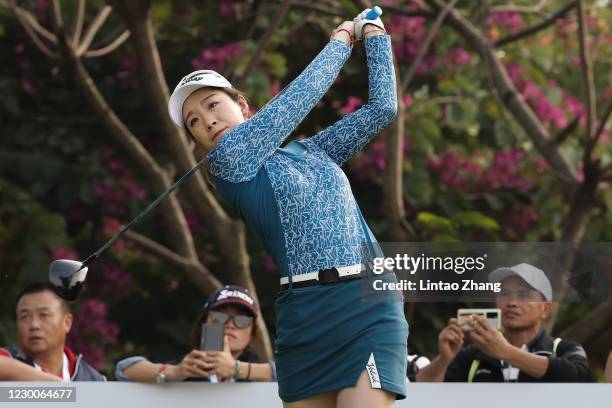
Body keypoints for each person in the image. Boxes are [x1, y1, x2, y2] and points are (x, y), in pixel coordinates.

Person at [167, 8, 407, 408]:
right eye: (194, 121)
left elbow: (382, 108)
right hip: (305, 314)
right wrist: (342, 40)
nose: (207, 122)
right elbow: (300, 98)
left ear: (242, 104)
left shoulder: (313, 151)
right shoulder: (229, 162)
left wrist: (376, 36)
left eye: (212, 105)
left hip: (367, 305)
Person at [416, 263, 592, 382]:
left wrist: (505, 352)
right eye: (504, 293)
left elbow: (580, 378)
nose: (512, 302)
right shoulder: (472, 356)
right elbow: (420, 393)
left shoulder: (564, 350)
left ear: (545, 309)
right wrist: (443, 360)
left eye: (524, 295)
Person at [115, 285, 275, 383]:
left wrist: (236, 369)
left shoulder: (262, 376)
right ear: (204, 324)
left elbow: (296, 374)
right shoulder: (188, 367)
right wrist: (174, 372)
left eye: (241, 320)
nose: (230, 325)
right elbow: (124, 370)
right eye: (219, 317)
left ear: (252, 334)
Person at [0, 282, 106, 381]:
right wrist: (53, 385)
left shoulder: (92, 379)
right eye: (25, 317)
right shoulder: (8, 357)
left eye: (44, 315)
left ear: (67, 322)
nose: (34, 325)